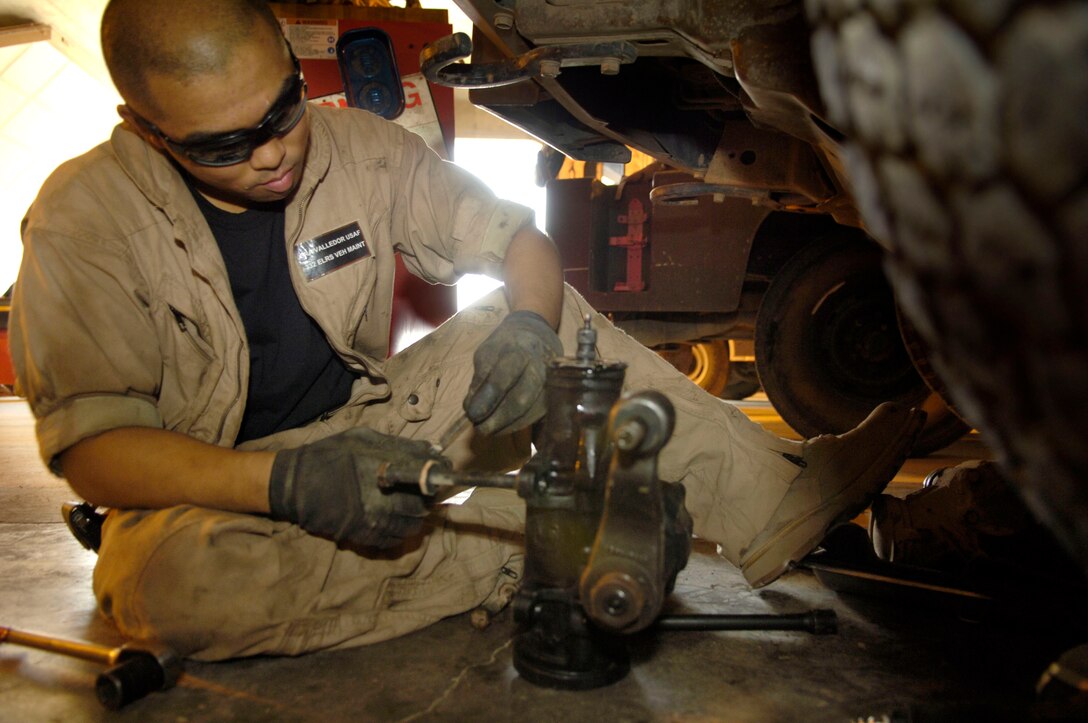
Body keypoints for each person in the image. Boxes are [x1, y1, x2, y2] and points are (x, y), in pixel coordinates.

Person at [9, 0, 924, 660]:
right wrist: (282, 478)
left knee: (561, 330)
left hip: (379, 428)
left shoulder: (354, 147)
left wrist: (528, 329)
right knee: (176, 594)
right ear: (147, 128)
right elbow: (93, 448)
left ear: (291, 68)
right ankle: (545, 552)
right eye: (224, 145)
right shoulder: (83, 222)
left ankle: (774, 505)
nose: (274, 152)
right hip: (210, 487)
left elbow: (515, 239)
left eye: (282, 109)